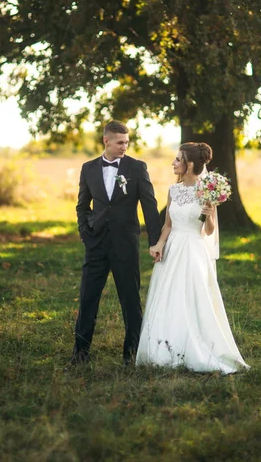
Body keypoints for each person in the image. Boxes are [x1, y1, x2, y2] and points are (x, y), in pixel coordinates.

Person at [136, 142, 249, 374]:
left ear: (188, 165)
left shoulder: (206, 190)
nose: (173, 163)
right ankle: (164, 347)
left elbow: (209, 231)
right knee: (168, 296)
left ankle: (195, 346)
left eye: (177, 159)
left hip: (193, 249)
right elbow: (168, 224)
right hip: (173, 248)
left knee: (190, 296)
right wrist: (158, 245)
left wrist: (208, 215)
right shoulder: (173, 190)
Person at [72, 120, 161, 365]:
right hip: (96, 244)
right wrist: (85, 232)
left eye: (127, 142)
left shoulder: (136, 167)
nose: (125, 147)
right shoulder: (88, 168)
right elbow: (82, 205)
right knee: (88, 297)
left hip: (126, 244)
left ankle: (132, 354)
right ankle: (80, 354)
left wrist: (155, 241)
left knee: (130, 299)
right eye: (120, 142)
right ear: (106, 141)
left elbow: (150, 207)